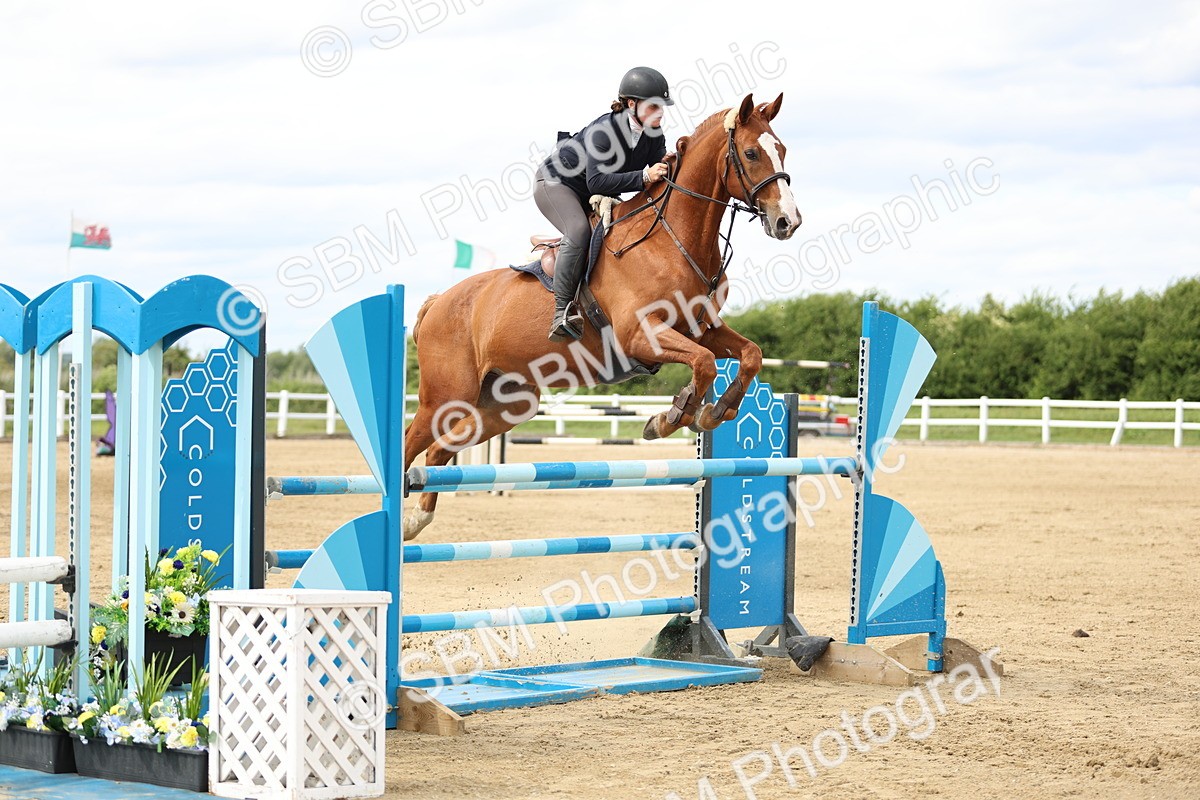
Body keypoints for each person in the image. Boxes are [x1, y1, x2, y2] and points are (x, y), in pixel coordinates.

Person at [535, 66, 673, 341]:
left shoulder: (653, 132)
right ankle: (562, 312)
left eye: (662, 106)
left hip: (590, 191)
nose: (660, 112)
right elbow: (597, 182)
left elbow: (658, 169)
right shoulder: (604, 131)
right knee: (578, 230)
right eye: (653, 106)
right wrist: (645, 176)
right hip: (556, 184)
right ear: (631, 104)